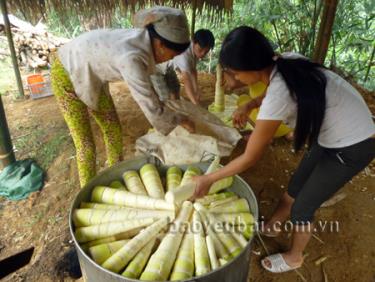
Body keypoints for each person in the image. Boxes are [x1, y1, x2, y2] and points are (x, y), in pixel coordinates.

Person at [192, 26, 375, 273]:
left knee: (303, 207)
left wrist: (208, 179)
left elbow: (249, 158)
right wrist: (250, 105)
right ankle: (274, 224)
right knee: (297, 183)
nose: (232, 78)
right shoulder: (284, 61)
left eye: (233, 72)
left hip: (355, 143)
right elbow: (273, 92)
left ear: (251, 69)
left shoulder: (279, 92)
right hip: (336, 130)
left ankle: (294, 257)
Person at [50, 7, 194, 187]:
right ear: (160, 44)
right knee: (85, 144)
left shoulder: (143, 41)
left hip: (92, 75)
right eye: (170, 55)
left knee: (113, 130)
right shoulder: (131, 57)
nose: (167, 60)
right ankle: (86, 191)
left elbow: (150, 89)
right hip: (65, 70)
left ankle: (114, 177)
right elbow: (150, 106)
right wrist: (180, 119)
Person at [152, 29, 215, 104]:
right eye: (200, 50)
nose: (202, 54)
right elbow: (186, 80)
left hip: (168, 67)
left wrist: (196, 88)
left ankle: (177, 110)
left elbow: (193, 70)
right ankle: (170, 112)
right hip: (156, 68)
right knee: (165, 98)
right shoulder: (184, 54)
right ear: (193, 42)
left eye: (206, 52)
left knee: (175, 90)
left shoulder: (195, 52)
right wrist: (195, 102)